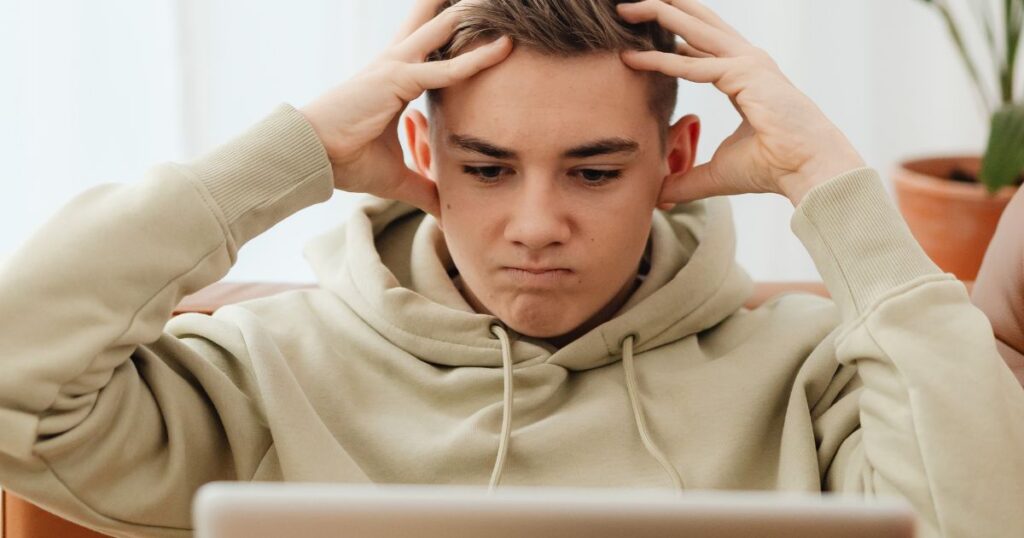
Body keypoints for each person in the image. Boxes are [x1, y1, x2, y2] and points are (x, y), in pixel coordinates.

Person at [0, 0, 1021, 536]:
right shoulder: (264, 372)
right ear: (420, 154)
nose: (536, 225)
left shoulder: (811, 374)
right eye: (487, 168)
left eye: (591, 169)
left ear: (673, 162)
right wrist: (293, 153)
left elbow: (984, 525)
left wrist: (826, 179)